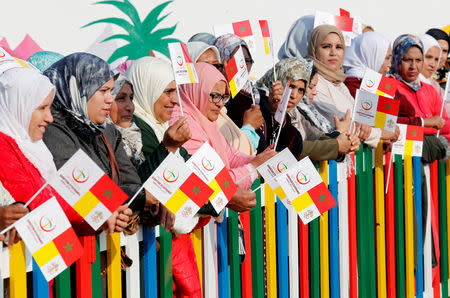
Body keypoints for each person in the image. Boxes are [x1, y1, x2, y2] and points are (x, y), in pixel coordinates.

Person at [42, 53, 170, 233]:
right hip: (74, 252)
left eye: (111, 91)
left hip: (107, 251)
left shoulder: (107, 131)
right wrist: (139, 197)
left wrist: (142, 206)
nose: (109, 98)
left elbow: (130, 180)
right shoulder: (53, 129)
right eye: (103, 91)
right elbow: (81, 189)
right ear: (78, 89)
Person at [0, 67, 127, 240]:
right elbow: (36, 205)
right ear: (19, 106)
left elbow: (54, 200)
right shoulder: (6, 146)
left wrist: (101, 213)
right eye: (42, 108)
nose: (49, 118)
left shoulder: (33, 147)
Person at [170, 62, 276, 190]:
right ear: (196, 91)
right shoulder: (184, 126)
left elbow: (230, 155)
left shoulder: (205, 119)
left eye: (224, 97)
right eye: (215, 96)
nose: (220, 104)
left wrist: (260, 160)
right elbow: (211, 184)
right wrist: (253, 167)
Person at [309, 25, 398, 147]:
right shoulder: (314, 83)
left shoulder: (339, 82)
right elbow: (338, 123)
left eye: (339, 47)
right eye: (326, 46)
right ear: (314, 49)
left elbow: (358, 120)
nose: (334, 53)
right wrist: (381, 133)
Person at [257, 58, 360, 161]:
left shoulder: (295, 113)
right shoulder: (259, 106)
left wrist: (346, 140)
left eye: (301, 90)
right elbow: (293, 148)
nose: (294, 95)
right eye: (291, 86)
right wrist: (336, 145)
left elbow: (316, 136)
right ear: (278, 81)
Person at [187, 41, 261, 155]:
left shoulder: (220, 109)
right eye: (205, 65)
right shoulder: (187, 116)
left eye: (216, 66)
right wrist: (249, 128)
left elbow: (230, 156)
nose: (213, 70)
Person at [389, 34, 450, 142]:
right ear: (397, 58)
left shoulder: (429, 89)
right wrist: (427, 123)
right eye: (407, 60)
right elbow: (388, 123)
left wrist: (428, 127)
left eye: (418, 60)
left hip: (428, 154)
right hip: (400, 154)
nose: (413, 66)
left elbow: (445, 123)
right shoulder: (388, 86)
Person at [214, 34, 266, 153]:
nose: (241, 67)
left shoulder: (257, 97)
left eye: (246, 61)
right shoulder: (211, 100)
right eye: (236, 61)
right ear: (221, 62)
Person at [107, 74, 144, 167]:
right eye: (120, 99)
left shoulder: (134, 139)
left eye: (131, 98)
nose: (130, 107)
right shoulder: (104, 144)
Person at [343, 31, 392, 97]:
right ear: (371, 56)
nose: (390, 64)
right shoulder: (353, 87)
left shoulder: (377, 82)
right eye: (387, 58)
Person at [419, 34, 445, 98]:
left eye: (436, 59)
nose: (432, 64)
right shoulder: (402, 83)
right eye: (428, 57)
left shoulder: (435, 86)